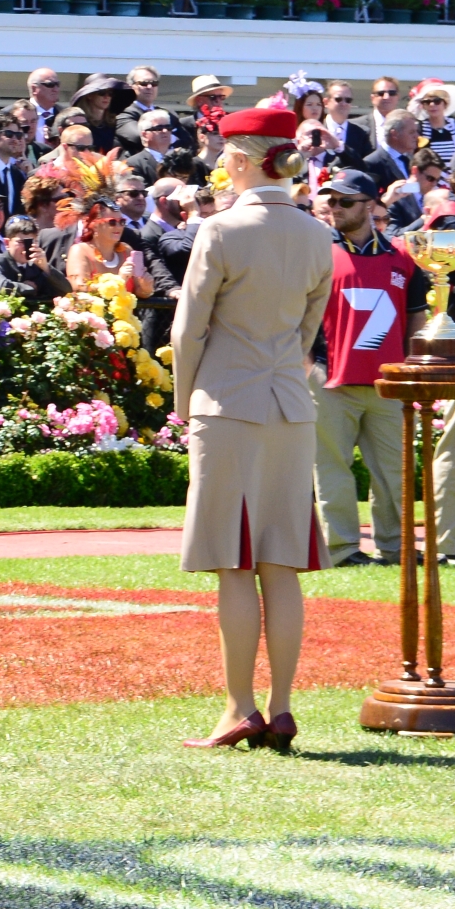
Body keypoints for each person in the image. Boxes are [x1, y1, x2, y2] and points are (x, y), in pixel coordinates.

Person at [170, 104, 337, 749]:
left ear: (241, 160)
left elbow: (189, 330)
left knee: (234, 565)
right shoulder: (317, 234)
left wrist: (186, 401)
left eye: (223, 155)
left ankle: (239, 707)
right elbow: (306, 330)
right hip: (290, 406)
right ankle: (283, 705)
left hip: (228, 405)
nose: (218, 164)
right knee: (281, 562)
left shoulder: (220, 231)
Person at [311, 168, 412, 569]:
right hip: (328, 378)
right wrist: (306, 367)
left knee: (395, 473)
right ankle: (343, 549)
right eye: (331, 201)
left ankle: (397, 546)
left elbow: (418, 317)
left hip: (389, 383)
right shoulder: (316, 253)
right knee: (332, 469)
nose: (335, 208)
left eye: (345, 201)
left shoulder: (404, 257)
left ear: (371, 206)